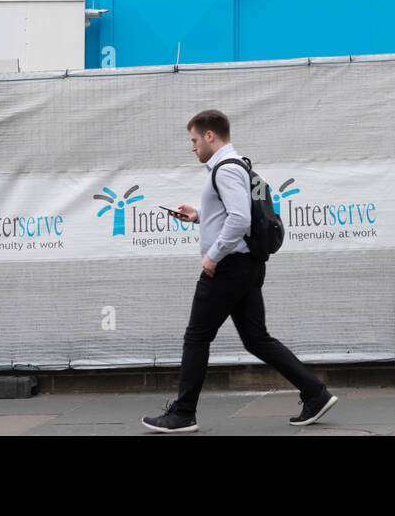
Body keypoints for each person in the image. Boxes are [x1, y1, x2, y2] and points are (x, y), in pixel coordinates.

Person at [141, 109, 337, 433]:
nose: (192, 148)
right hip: (243, 267)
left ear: (209, 136)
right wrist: (199, 216)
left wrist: (213, 256)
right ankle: (315, 393)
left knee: (196, 337)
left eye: (193, 140)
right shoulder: (234, 165)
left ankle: (183, 413)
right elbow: (231, 214)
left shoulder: (225, 169)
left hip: (228, 268)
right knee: (256, 339)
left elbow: (240, 220)